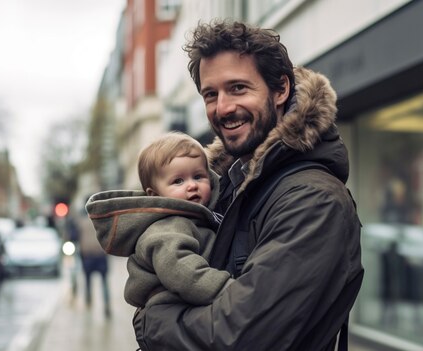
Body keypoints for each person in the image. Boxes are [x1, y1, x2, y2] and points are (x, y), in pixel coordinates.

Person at [130, 20, 364, 351]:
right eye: (211, 94)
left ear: (281, 90)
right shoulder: (226, 185)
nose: (222, 107)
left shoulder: (313, 201)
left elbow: (243, 336)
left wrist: (151, 323)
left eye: (238, 88)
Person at [86, 132, 232, 309]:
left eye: (198, 176)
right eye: (178, 181)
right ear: (155, 195)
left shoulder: (196, 217)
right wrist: (230, 289)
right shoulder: (167, 228)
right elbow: (184, 273)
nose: (192, 185)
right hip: (171, 305)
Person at [75, 198, 112, 317]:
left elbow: (75, 236)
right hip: (101, 254)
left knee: (87, 281)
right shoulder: (102, 220)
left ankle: (89, 302)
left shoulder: (81, 221)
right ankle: (106, 305)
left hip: (87, 255)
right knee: (104, 282)